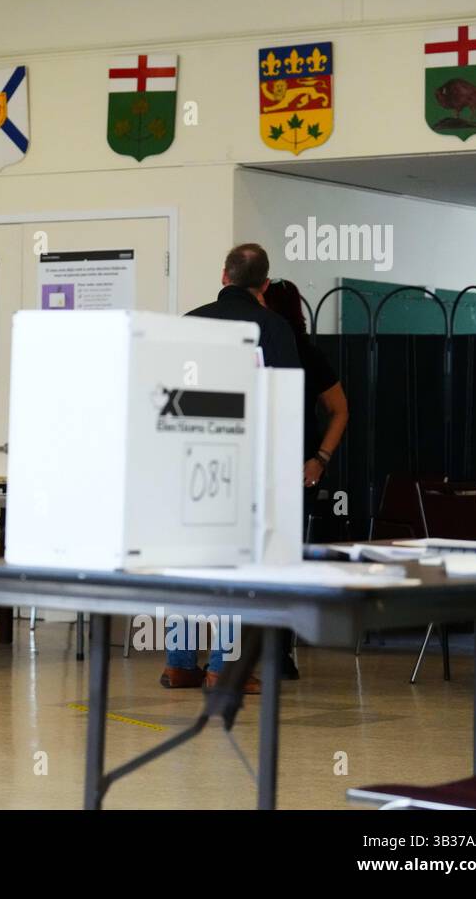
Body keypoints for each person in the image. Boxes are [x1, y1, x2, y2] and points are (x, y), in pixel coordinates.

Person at [161, 243, 303, 693]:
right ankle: (224, 666)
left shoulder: (187, 324)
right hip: (247, 465)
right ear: (264, 284)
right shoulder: (274, 327)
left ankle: (180, 664)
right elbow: (286, 402)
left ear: (224, 276)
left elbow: (163, 395)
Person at [262, 279, 349, 493]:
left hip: (299, 464)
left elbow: (340, 410)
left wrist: (320, 460)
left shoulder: (308, 355)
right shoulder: (260, 347)